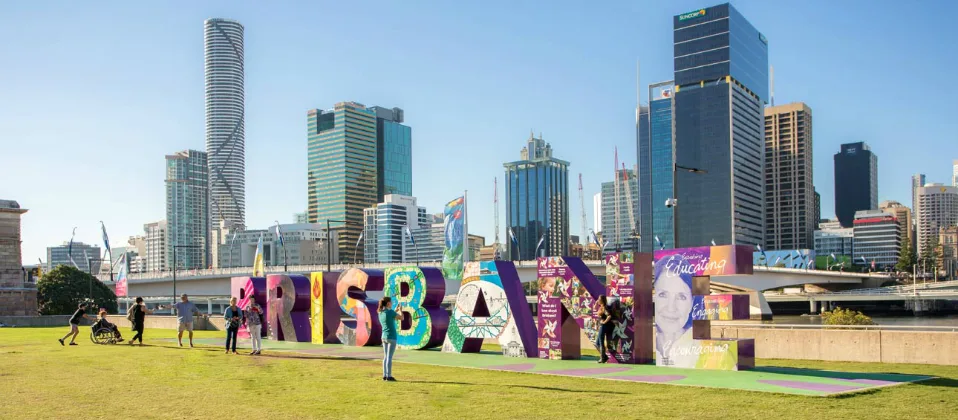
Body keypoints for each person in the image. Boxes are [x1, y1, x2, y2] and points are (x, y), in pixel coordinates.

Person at [652, 256, 694, 367]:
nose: (671, 308)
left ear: (691, 303)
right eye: (663, 295)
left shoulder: (717, 357)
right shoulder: (641, 345)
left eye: (681, 297)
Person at [377, 296, 402, 381]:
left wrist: (396, 310)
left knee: (385, 357)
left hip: (384, 337)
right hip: (391, 337)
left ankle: (384, 375)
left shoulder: (380, 312)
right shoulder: (390, 312)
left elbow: (390, 315)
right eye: (391, 302)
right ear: (388, 303)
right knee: (389, 357)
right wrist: (400, 310)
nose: (392, 303)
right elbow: (402, 318)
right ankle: (389, 376)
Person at [594, 295, 614, 363]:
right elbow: (594, 309)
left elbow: (609, 316)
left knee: (601, 342)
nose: (598, 300)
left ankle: (602, 358)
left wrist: (604, 322)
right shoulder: (601, 307)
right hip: (602, 326)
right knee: (597, 343)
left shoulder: (605, 307)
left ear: (602, 300)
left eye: (599, 299)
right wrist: (596, 303)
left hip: (604, 326)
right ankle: (604, 357)